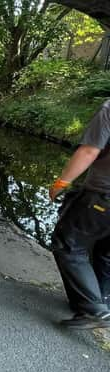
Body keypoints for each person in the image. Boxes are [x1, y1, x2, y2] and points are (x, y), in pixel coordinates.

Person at [49, 99, 110, 329]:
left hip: (103, 195)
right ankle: (99, 302)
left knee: (67, 244)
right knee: (105, 252)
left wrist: (62, 182)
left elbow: (89, 150)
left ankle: (94, 310)